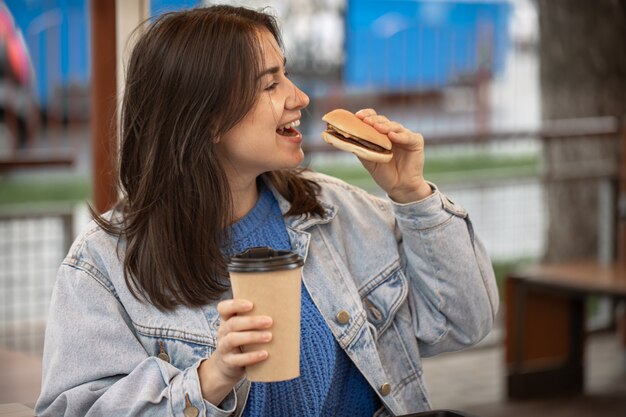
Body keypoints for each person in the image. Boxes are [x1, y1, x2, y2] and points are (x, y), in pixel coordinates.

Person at [36, 5, 499, 417]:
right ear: (206, 117)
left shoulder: (334, 210)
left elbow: (464, 323)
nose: (300, 98)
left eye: (287, 75)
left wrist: (412, 195)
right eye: (271, 84)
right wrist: (211, 378)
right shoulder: (103, 266)